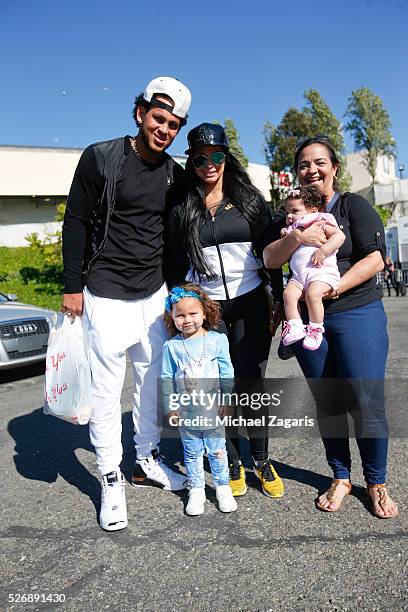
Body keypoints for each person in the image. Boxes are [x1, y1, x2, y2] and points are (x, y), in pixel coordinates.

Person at [61, 76, 192, 531]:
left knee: (152, 384)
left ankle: (147, 460)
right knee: (105, 392)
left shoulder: (175, 173)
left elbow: (173, 239)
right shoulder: (101, 157)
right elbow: (76, 220)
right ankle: (111, 478)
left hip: (153, 295)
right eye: (159, 118)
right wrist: (71, 285)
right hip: (105, 293)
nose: (164, 129)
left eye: (174, 124)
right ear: (140, 114)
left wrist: (176, 292)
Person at [264, 134, 398, 519]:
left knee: (366, 400)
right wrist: (296, 236)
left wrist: (333, 287)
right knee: (329, 401)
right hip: (309, 321)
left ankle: (376, 482)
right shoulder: (290, 213)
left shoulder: (351, 206)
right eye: (304, 164)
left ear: (334, 168)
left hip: (357, 311)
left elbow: (374, 259)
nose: (312, 170)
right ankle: (340, 477)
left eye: (319, 162)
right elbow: (271, 259)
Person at [165, 123, 285, 500]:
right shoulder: (182, 205)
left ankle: (262, 461)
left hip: (250, 300)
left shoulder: (248, 199)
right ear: (192, 162)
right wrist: (178, 305)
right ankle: (231, 460)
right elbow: (172, 262)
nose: (209, 164)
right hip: (209, 309)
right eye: (201, 159)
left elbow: (272, 254)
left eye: (217, 155)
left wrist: (279, 298)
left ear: (226, 156)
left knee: (250, 383)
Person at [161, 284, 237, 516]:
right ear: (171, 317)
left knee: (217, 450)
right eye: (180, 315)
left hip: (213, 409)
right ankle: (197, 490)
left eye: (193, 313)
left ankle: (223, 487)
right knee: (191, 452)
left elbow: (227, 371)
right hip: (187, 413)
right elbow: (166, 377)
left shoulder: (217, 340)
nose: (187, 320)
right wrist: (170, 407)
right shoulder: (171, 346)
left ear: (204, 312)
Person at [281, 185, 345, 350]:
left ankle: (316, 328)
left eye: (294, 211)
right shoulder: (292, 229)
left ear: (313, 210)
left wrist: (324, 250)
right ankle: (295, 325)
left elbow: (339, 236)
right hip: (299, 276)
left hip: (320, 272)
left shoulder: (321, 220)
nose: (289, 216)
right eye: (287, 212)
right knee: (288, 294)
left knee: (313, 294)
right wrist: (286, 235)